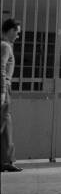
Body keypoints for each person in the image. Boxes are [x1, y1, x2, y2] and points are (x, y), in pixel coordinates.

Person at [1, 18, 22, 173]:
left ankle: (6, 160)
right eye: (17, 32)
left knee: (6, 126)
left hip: (5, 88)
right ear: (11, 30)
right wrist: (2, 91)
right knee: (4, 125)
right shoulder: (5, 46)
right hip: (4, 88)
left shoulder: (6, 46)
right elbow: (1, 68)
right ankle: (7, 161)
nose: (18, 36)